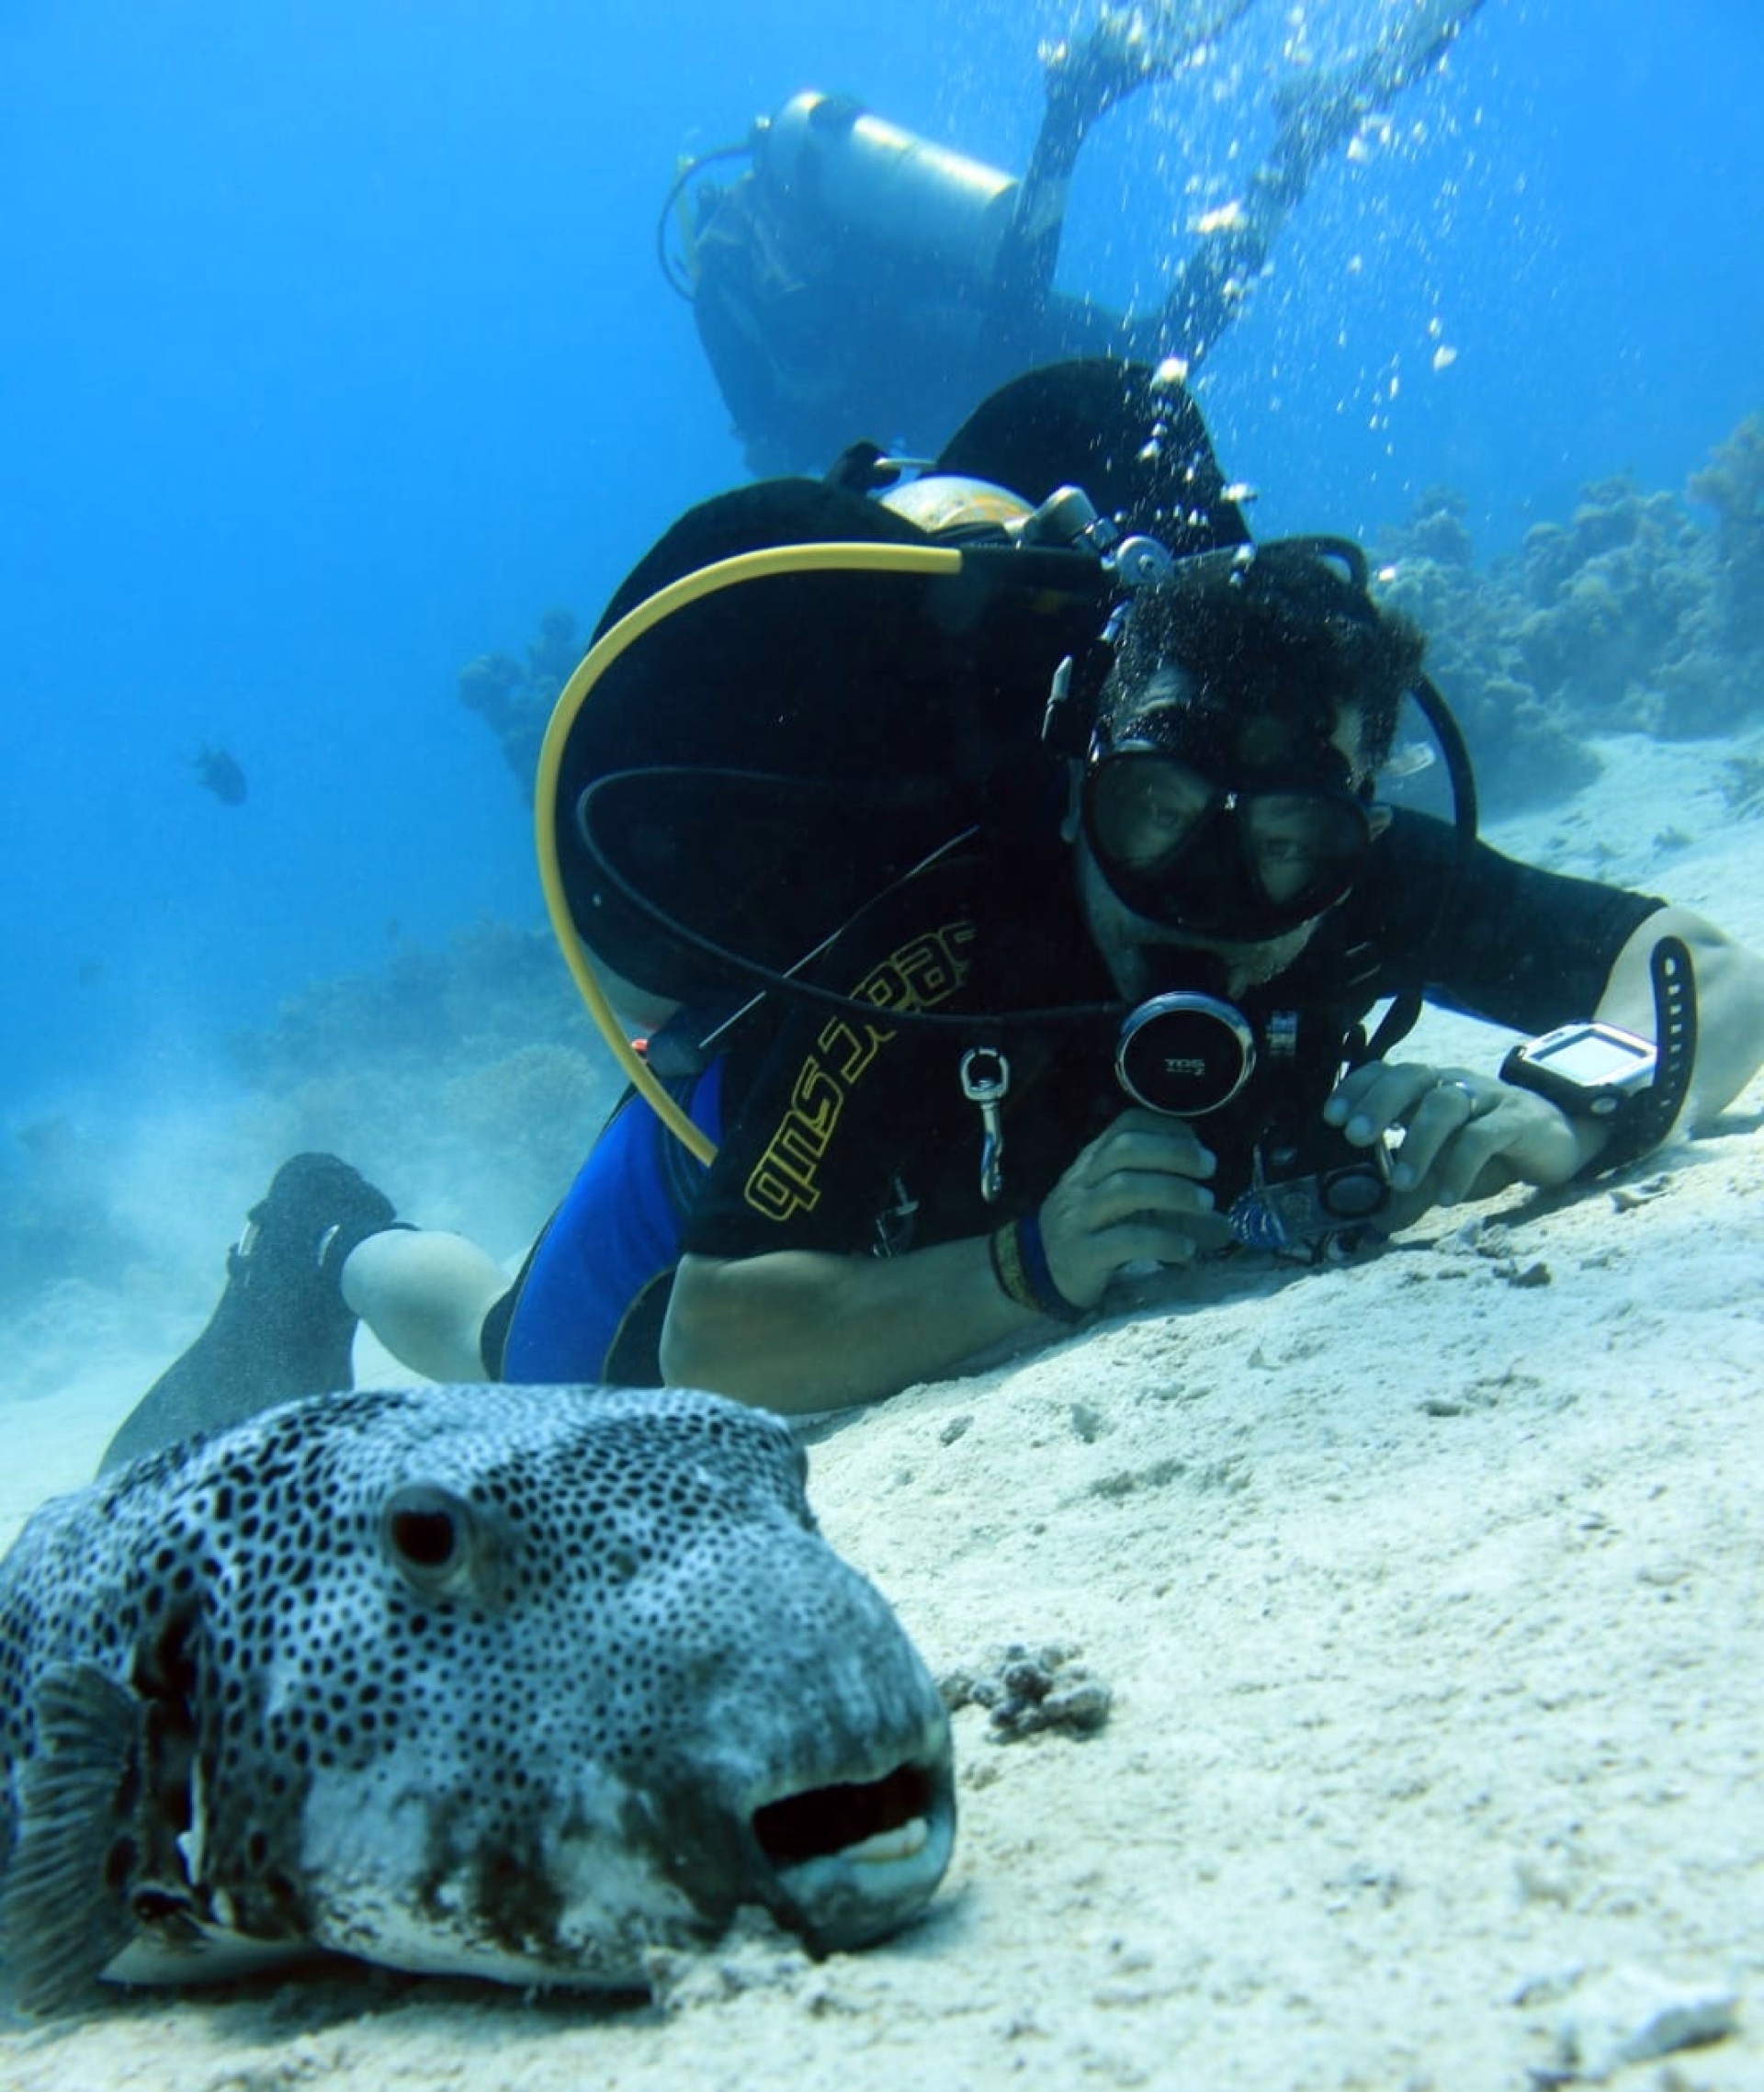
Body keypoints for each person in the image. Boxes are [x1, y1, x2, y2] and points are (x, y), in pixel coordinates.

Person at [101, 360, 1764, 1469]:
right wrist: (1027, 1267)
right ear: (1083, 774)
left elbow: (1707, 964)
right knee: (502, 1346)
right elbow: (714, 1327)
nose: (1204, 896)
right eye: (1153, 819)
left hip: (954, 1216)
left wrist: (1580, 1101)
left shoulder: (1346, 870)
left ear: (1352, 824)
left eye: (1278, 854)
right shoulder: (945, 923)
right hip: (753, 1194)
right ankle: (329, 1231)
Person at [671, 0, 1486, 473]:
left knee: (1113, 355)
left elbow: (788, 441)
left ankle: (1075, 107)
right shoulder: (775, 249)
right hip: (954, 317)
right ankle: (1295, 148)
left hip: (934, 370)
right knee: (1160, 358)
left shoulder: (722, 289)